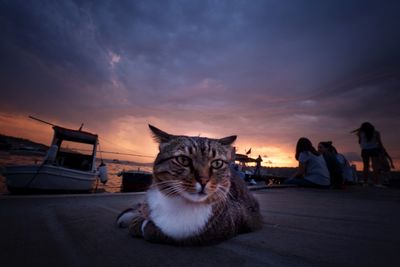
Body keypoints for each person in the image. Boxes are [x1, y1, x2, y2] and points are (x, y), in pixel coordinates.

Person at [352, 122, 391, 187]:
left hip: (365, 150)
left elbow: (360, 142)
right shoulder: (376, 133)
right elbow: (379, 143)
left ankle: (365, 182)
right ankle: (376, 183)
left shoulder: (361, 133)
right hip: (374, 150)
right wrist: (382, 150)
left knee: (366, 167)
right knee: (375, 167)